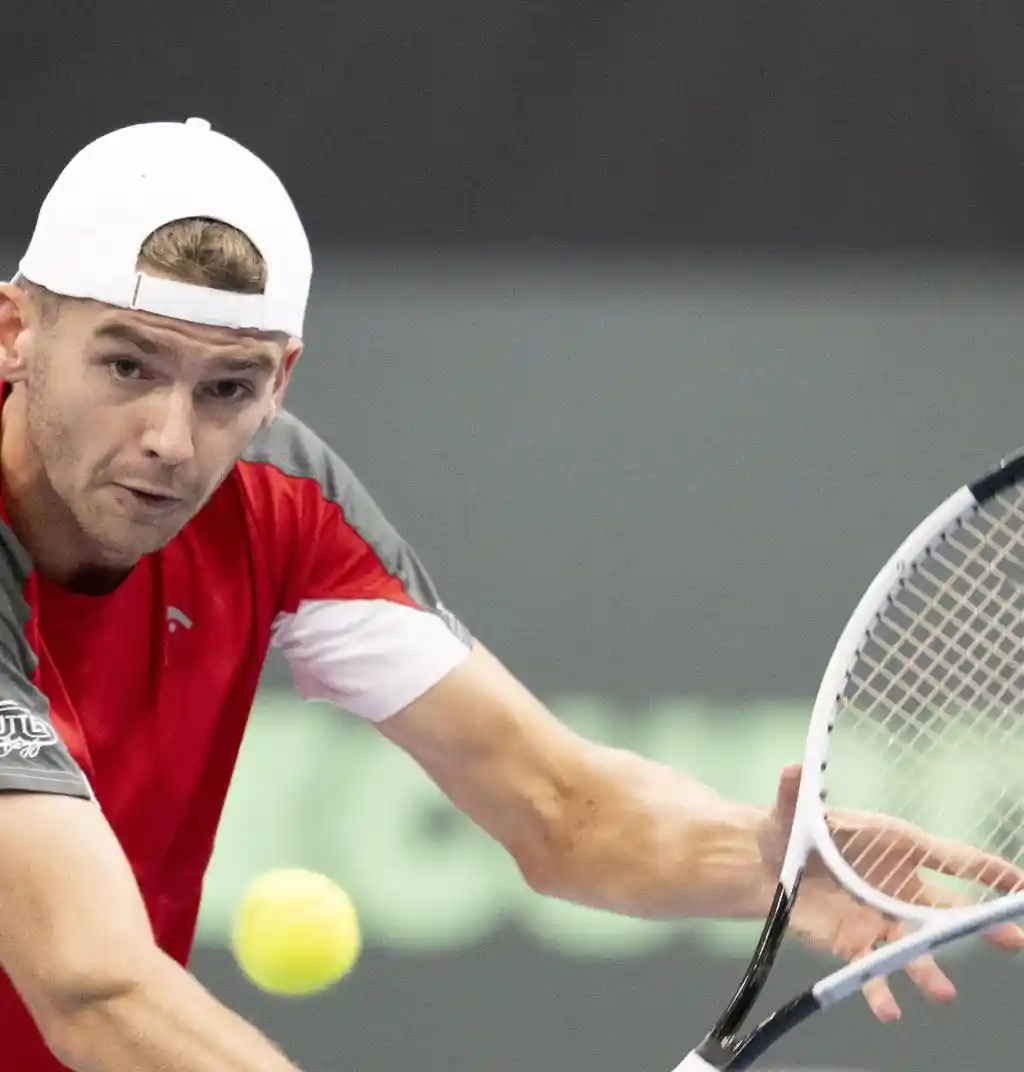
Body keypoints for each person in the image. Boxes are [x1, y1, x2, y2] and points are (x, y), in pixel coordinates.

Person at [0, 117, 1018, 1072]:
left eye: (229, 387)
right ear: (16, 329)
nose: (172, 441)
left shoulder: (278, 502)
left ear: (282, 381)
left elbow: (558, 807)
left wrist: (760, 863)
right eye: (127, 365)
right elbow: (92, 985)